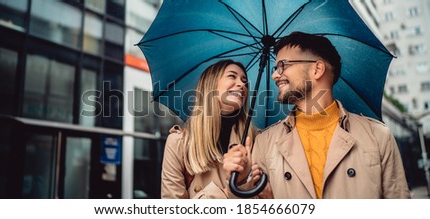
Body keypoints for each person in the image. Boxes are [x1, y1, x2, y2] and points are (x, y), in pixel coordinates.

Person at [223, 32, 410, 199]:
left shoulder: (378, 136)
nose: (275, 76)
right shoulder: (265, 143)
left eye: (283, 66)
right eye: (275, 68)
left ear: (317, 69)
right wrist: (241, 182)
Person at [161, 59, 257, 198]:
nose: (242, 84)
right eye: (232, 76)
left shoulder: (255, 140)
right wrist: (225, 194)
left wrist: (243, 181)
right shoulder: (178, 143)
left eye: (244, 81)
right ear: (211, 85)